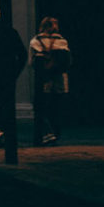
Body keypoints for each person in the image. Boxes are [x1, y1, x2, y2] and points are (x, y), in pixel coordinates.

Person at [0, 4, 28, 144]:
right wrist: (14, 72)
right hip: (8, 74)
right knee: (6, 105)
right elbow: (22, 54)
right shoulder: (11, 31)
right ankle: (7, 133)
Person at [29, 16, 71, 145]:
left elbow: (31, 63)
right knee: (56, 109)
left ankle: (42, 135)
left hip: (43, 79)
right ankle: (55, 134)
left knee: (40, 108)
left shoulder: (36, 41)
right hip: (59, 80)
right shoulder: (62, 41)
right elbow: (68, 62)